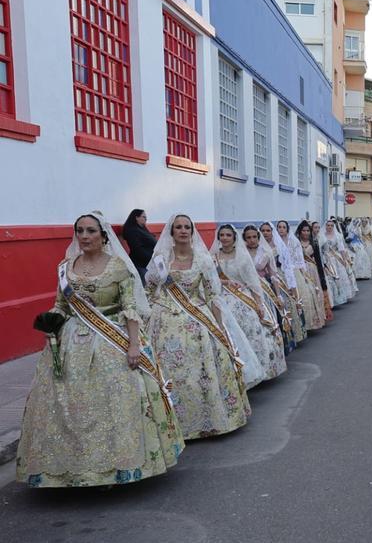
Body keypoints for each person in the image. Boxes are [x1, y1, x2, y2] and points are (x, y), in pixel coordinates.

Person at [16, 212, 184, 487]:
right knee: (62, 402)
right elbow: (61, 305)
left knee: (118, 397)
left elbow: (130, 308)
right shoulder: (65, 267)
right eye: (80, 231)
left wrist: (133, 346)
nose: (85, 236)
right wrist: (51, 321)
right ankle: (72, 470)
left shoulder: (118, 267)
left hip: (111, 339)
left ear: (103, 236)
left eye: (91, 231)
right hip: (71, 341)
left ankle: (116, 467)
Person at [145, 214, 251, 440]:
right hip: (164, 321)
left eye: (187, 227)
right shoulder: (161, 259)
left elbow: (213, 295)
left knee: (201, 369)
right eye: (178, 227)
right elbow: (149, 290)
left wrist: (221, 328)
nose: (183, 231)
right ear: (171, 232)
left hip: (197, 318)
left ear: (192, 232)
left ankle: (207, 419)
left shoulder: (203, 260)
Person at [212, 224, 285, 383]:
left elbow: (253, 282)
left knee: (251, 331)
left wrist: (259, 304)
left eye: (228, 235)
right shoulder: (214, 257)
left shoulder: (242, 257)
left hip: (242, 299)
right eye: (222, 235)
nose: (224, 238)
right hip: (221, 297)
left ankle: (258, 371)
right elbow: (210, 279)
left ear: (234, 238)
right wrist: (223, 282)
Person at [246, 224, 297, 353]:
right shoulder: (241, 252)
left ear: (258, 238)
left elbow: (274, 275)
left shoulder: (266, 252)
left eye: (254, 237)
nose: (252, 240)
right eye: (248, 237)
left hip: (263, 288)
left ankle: (272, 349)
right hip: (245, 289)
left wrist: (278, 295)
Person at [121, 208, 157, 282]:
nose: (146, 219)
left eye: (146, 217)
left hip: (150, 264)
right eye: (143, 217)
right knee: (147, 288)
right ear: (136, 217)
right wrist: (151, 260)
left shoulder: (142, 229)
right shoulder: (132, 230)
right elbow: (137, 249)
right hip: (141, 265)